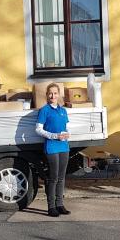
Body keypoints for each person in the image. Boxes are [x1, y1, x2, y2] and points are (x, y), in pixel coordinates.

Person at [35, 83, 72, 217]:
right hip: (51, 147)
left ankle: (60, 204)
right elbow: (38, 129)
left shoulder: (63, 110)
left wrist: (67, 133)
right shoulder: (44, 110)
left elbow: (67, 127)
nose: (53, 96)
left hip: (64, 146)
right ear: (47, 95)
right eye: (50, 93)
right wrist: (53, 136)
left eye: (55, 93)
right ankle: (51, 207)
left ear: (59, 94)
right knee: (53, 178)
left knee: (61, 178)